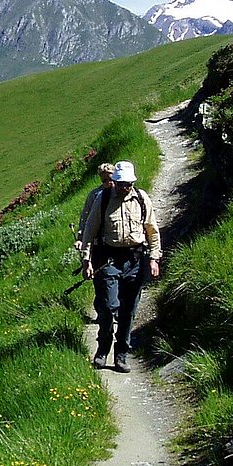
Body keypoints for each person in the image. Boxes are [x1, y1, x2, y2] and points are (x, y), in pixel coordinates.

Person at [79, 160, 161, 373]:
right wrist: (86, 260)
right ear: (114, 182)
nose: (126, 188)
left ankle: (121, 354)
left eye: (129, 184)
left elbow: (152, 230)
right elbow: (89, 231)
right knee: (107, 306)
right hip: (108, 260)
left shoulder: (142, 199)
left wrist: (154, 258)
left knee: (129, 310)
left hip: (134, 260)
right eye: (122, 184)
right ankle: (103, 348)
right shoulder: (102, 199)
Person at [74, 163, 117, 251]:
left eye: (111, 179)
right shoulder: (95, 195)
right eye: (104, 180)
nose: (108, 183)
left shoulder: (121, 192)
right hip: (101, 240)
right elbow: (86, 216)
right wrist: (80, 238)